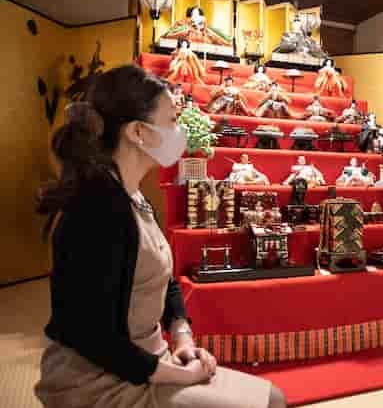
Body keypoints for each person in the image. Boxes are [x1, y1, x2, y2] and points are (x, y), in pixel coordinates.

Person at [34, 65, 286, 407]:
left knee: (272, 396)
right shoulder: (95, 208)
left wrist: (181, 336)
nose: (178, 131)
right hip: (101, 379)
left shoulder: (133, 194)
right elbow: (90, 335)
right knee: (269, 402)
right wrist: (182, 375)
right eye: (171, 120)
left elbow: (162, 279)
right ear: (138, 131)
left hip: (151, 358)